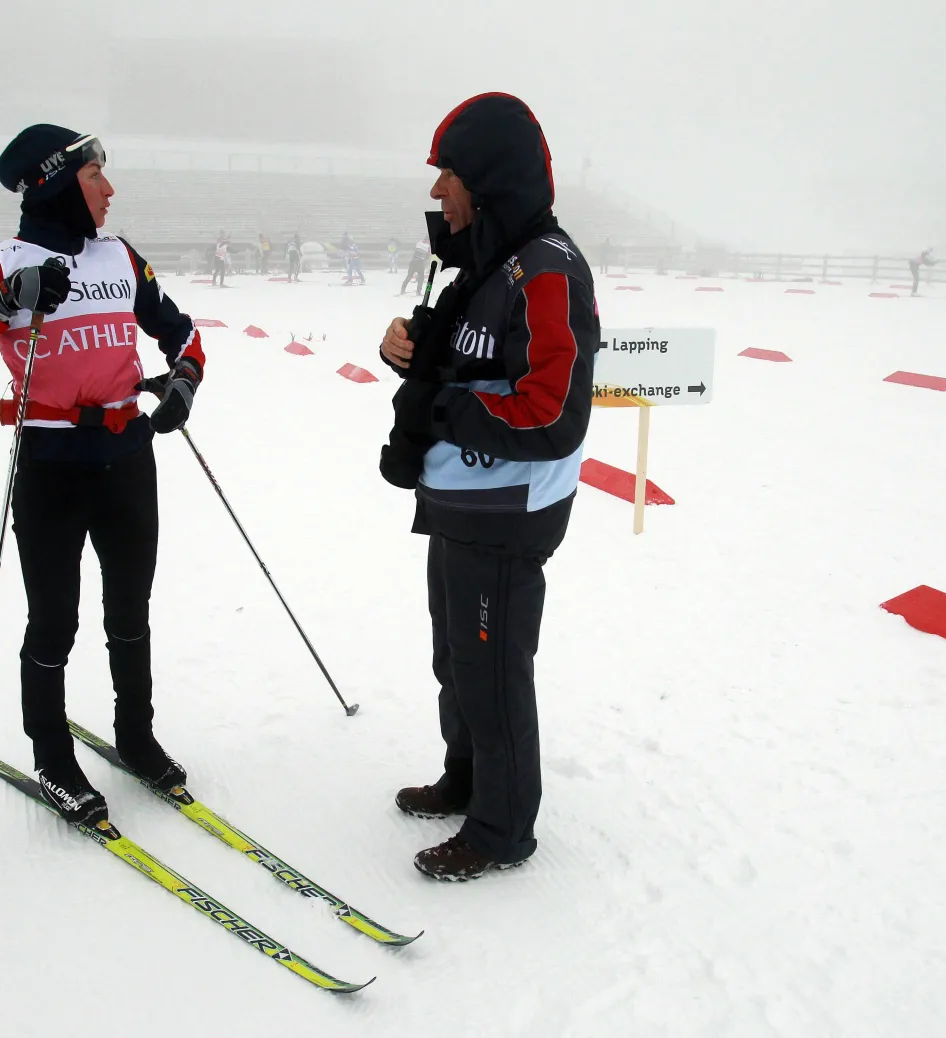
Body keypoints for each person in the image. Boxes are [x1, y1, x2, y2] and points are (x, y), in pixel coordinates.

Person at [0, 124, 206, 825]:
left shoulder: (119, 256)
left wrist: (184, 382)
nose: (110, 189)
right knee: (54, 621)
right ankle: (51, 754)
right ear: (53, 182)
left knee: (130, 612)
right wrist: (2, 301)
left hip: (128, 457)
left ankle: (135, 736)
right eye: (95, 175)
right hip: (52, 465)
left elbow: (181, 332)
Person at [377, 93, 599, 881]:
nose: (437, 193)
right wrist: (407, 347)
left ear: (490, 179)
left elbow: (551, 411)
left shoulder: (545, 268)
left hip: (508, 512)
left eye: (449, 176)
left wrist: (439, 404)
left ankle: (501, 829)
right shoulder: (485, 258)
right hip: (459, 503)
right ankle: (466, 777)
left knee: (491, 667)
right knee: (455, 657)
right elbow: (469, 357)